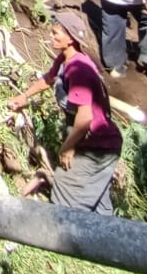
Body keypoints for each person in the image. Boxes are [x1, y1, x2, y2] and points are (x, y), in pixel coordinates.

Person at [8, 12, 122, 215]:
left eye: (56, 33)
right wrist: (24, 96)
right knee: (99, 203)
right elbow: (49, 78)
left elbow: (85, 117)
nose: (51, 37)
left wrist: (68, 147)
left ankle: (64, 240)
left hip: (97, 146)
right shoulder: (65, 59)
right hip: (97, 142)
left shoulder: (79, 70)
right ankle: (108, 240)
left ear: (71, 38)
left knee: (66, 196)